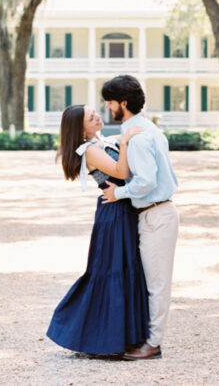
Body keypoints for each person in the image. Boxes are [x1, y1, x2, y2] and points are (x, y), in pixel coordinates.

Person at [46, 104, 149, 356]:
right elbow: (121, 171)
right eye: (90, 117)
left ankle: (124, 338)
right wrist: (125, 143)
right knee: (111, 271)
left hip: (123, 209)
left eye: (94, 113)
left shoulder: (104, 141)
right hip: (113, 213)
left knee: (127, 269)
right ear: (79, 128)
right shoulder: (90, 150)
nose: (97, 117)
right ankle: (101, 339)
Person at [100, 74, 179, 361]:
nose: (107, 107)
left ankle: (153, 343)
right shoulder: (143, 129)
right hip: (153, 213)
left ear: (123, 102)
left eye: (110, 102)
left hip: (156, 213)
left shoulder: (140, 137)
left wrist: (117, 194)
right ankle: (146, 337)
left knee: (156, 283)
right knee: (149, 281)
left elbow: (145, 181)